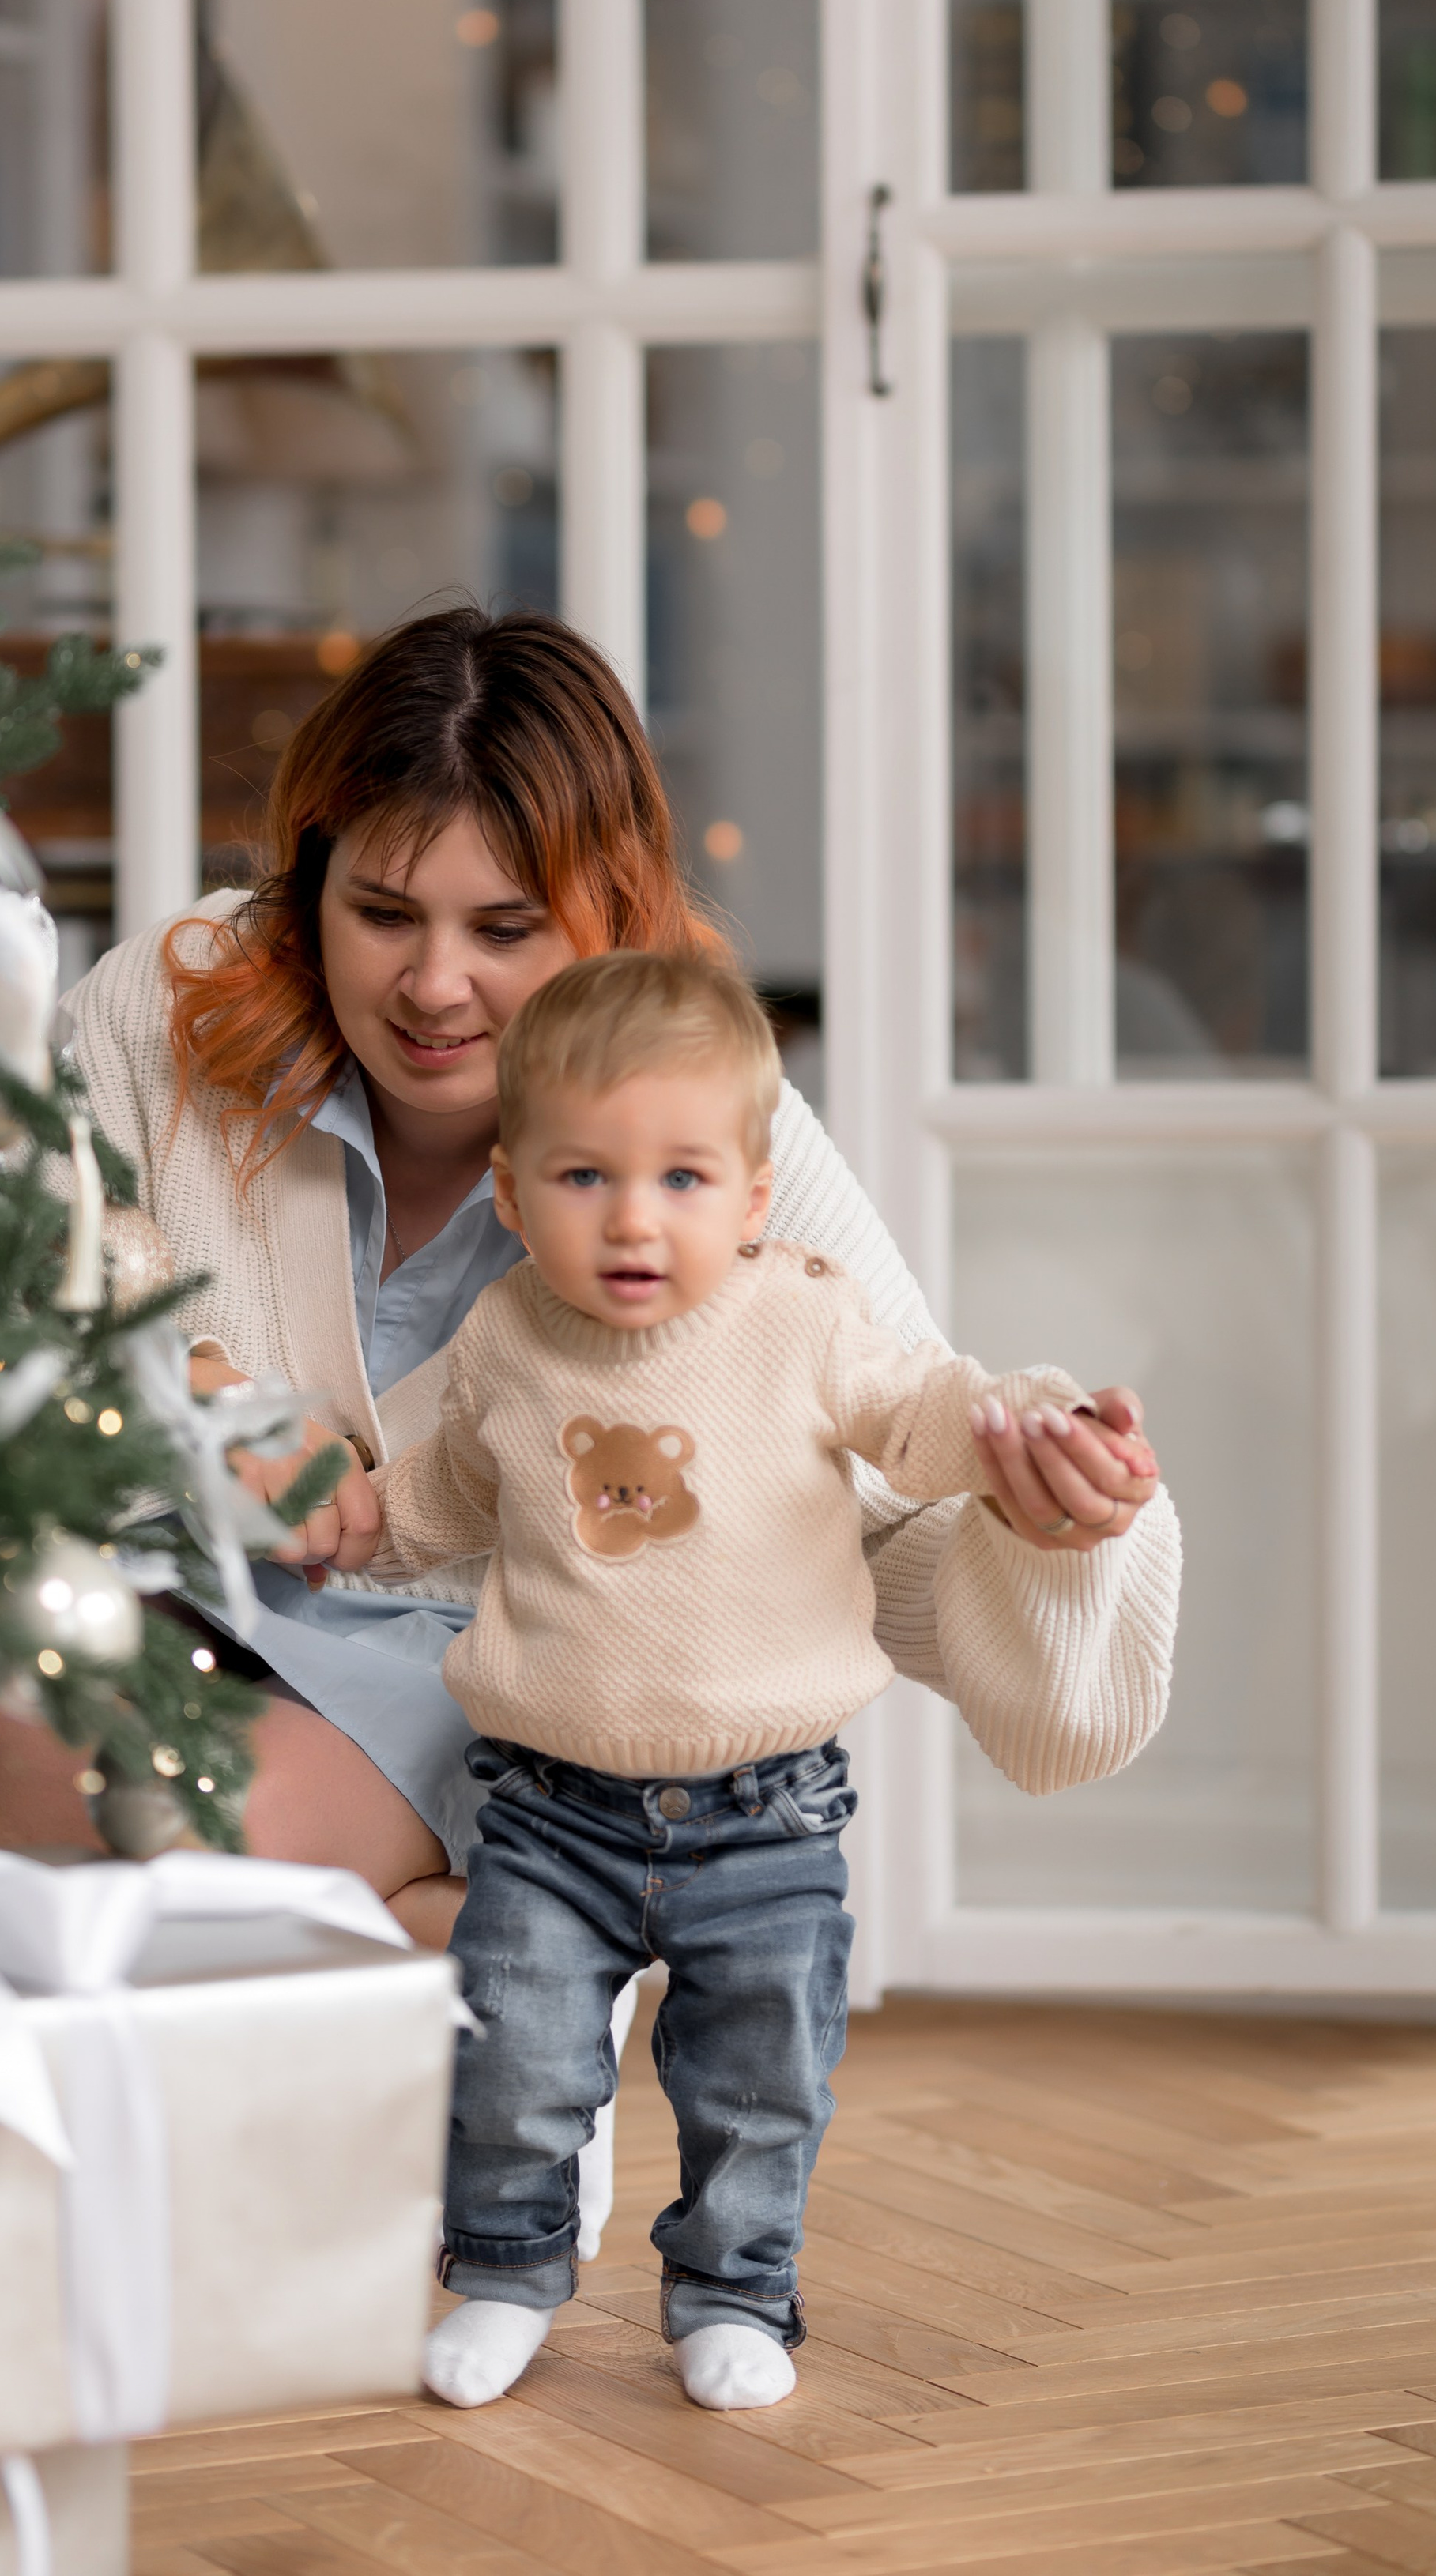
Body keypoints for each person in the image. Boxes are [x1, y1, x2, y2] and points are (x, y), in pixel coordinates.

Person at [0, 608, 1167, 2210]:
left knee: (175, 1823)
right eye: (380, 913)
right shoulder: (169, 1003)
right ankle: (482, 1962)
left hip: (492, 1662)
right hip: (151, 1586)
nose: (434, 986)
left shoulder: (707, 1132)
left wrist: (1046, 1515)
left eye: (504, 927)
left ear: (605, 909)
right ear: (307, 882)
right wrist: (197, 1403)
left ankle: (481, 1973)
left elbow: (892, 1493)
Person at [338, 951, 1177, 2415]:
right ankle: (506, 2275)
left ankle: (732, 2295)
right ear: (512, 1194)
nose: (634, 1218)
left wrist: (1034, 1423)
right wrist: (352, 1520)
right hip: (548, 1809)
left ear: (753, 1197)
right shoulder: (508, 1341)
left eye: (682, 1178)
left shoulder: (801, 1322)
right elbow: (454, 1492)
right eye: (585, 1177)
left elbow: (926, 1414)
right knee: (515, 2058)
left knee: (757, 2081)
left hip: (766, 1814)